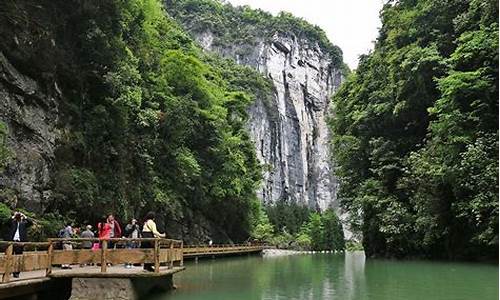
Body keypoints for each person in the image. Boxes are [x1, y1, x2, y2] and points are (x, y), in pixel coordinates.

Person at [8, 211, 32, 278]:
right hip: (12, 242)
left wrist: (24, 216)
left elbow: (31, 223)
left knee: (18, 258)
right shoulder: (12, 222)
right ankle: (8, 271)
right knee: (10, 257)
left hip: (20, 243)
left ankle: (16, 272)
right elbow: (6, 223)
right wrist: (13, 216)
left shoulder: (23, 224)